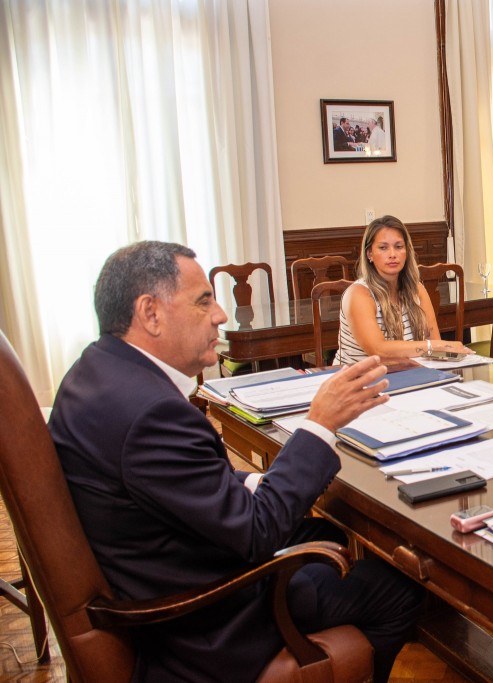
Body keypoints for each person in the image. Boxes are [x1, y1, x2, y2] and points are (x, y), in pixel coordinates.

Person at [48, 241, 423, 682]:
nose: (220, 315)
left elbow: (177, 481)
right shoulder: (153, 413)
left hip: (166, 564)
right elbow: (257, 533)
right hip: (213, 619)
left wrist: (250, 481)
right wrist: (319, 424)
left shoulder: (95, 371)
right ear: (150, 314)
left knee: (327, 529)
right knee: (401, 586)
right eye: (203, 300)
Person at [335, 214, 472, 365]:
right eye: (383, 248)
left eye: (399, 247)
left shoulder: (417, 289)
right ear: (369, 254)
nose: (392, 255)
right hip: (358, 381)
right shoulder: (358, 294)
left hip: (406, 374)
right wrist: (433, 346)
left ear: (406, 251)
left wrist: (460, 354)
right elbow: (378, 350)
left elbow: (436, 345)